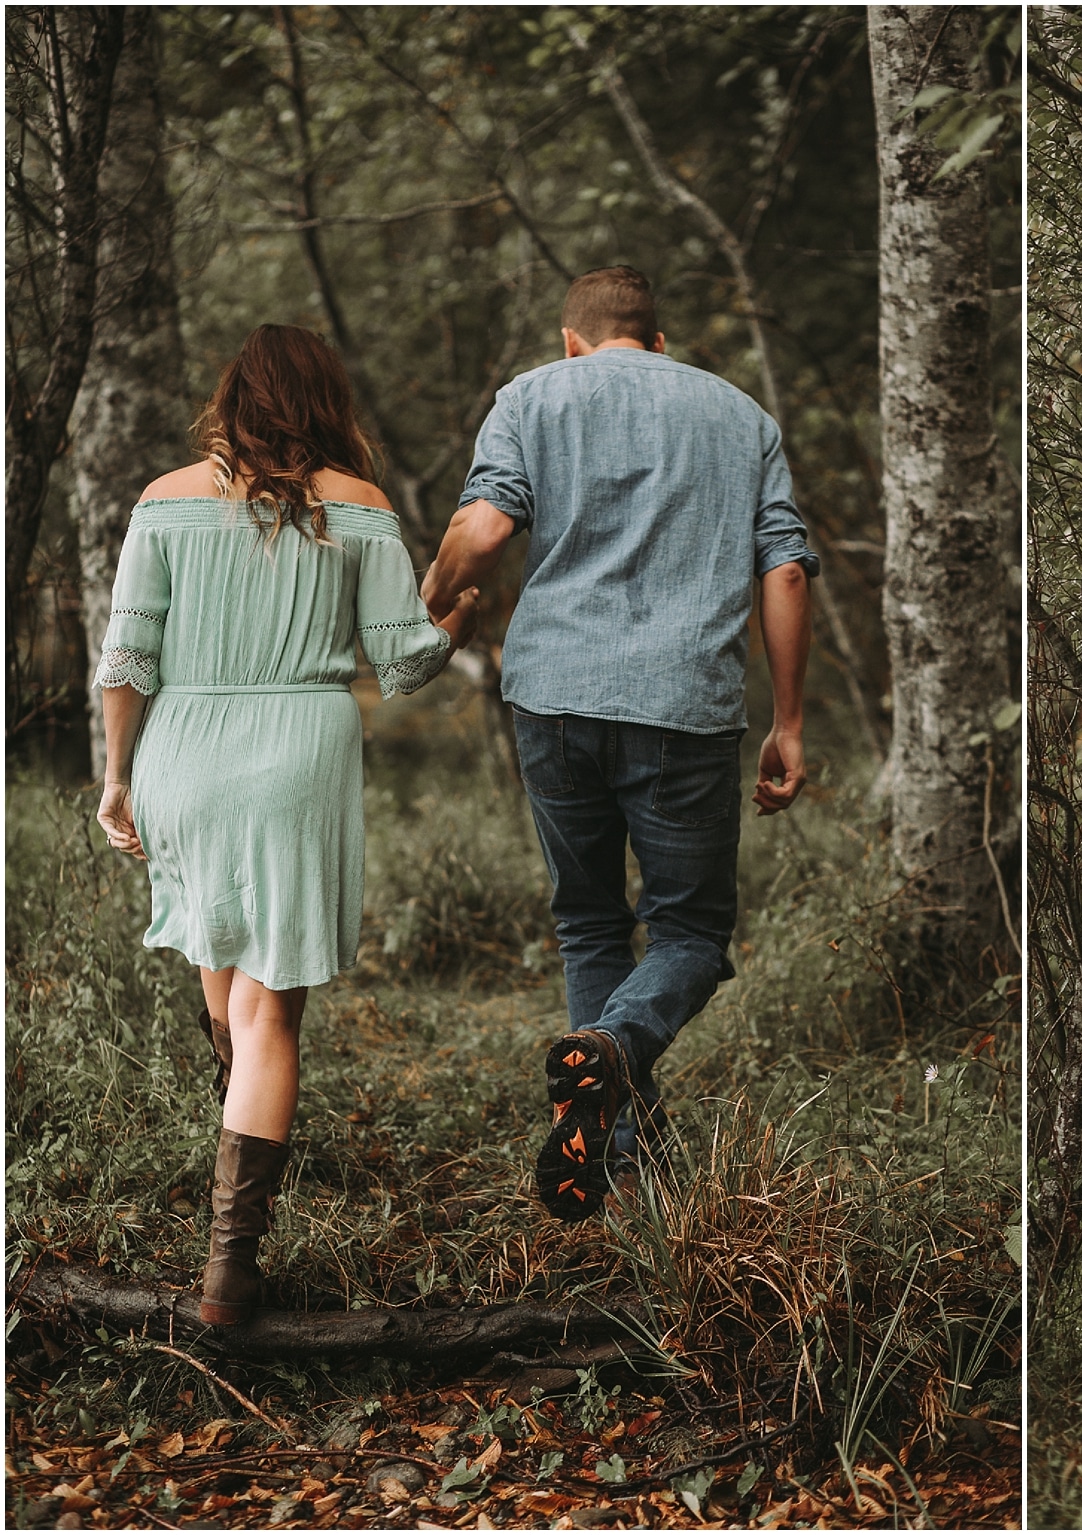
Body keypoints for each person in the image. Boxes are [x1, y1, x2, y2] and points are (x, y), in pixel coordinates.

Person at [94, 324, 480, 1325]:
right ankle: (230, 1272)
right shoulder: (358, 509)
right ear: (326, 400)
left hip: (182, 748)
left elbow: (128, 656)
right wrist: (454, 625)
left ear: (229, 402)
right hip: (294, 754)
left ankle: (229, 1207)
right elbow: (398, 667)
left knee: (221, 972)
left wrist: (115, 776)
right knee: (270, 1018)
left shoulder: (162, 501)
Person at [420, 265, 817, 1221]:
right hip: (685, 703)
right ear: (659, 340)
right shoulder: (741, 417)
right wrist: (790, 719)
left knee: (590, 921)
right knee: (689, 930)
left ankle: (606, 1155)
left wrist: (431, 602)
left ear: (573, 341)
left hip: (554, 697)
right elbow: (788, 572)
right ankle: (621, 1052)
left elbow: (481, 530)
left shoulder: (533, 395)